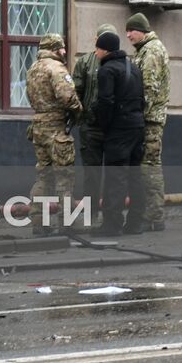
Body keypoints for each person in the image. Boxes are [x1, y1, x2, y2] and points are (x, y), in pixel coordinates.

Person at [25, 33, 81, 233]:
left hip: (38, 126)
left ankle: (39, 222)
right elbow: (67, 96)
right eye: (62, 47)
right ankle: (67, 223)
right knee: (64, 177)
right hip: (56, 128)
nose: (65, 51)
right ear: (55, 48)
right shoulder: (56, 68)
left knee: (43, 176)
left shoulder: (33, 68)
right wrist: (78, 111)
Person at [93, 33, 145, 236]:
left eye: (97, 48)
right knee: (135, 175)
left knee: (116, 176)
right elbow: (142, 98)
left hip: (119, 130)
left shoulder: (107, 70)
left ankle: (112, 225)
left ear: (105, 49)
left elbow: (106, 102)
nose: (95, 52)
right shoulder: (134, 68)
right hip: (137, 127)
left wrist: (103, 125)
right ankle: (135, 223)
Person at [126, 13, 169, 232]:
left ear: (141, 30)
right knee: (148, 166)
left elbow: (149, 89)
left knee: (149, 168)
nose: (128, 35)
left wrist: (139, 118)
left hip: (150, 120)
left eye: (131, 30)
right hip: (150, 118)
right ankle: (152, 214)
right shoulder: (147, 49)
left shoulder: (151, 51)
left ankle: (153, 216)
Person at [72, 24, 118, 201]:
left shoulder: (123, 64)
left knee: (115, 173)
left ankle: (110, 214)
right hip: (90, 126)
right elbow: (76, 91)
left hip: (114, 127)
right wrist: (79, 116)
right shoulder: (85, 62)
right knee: (92, 173)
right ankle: (91, 213)